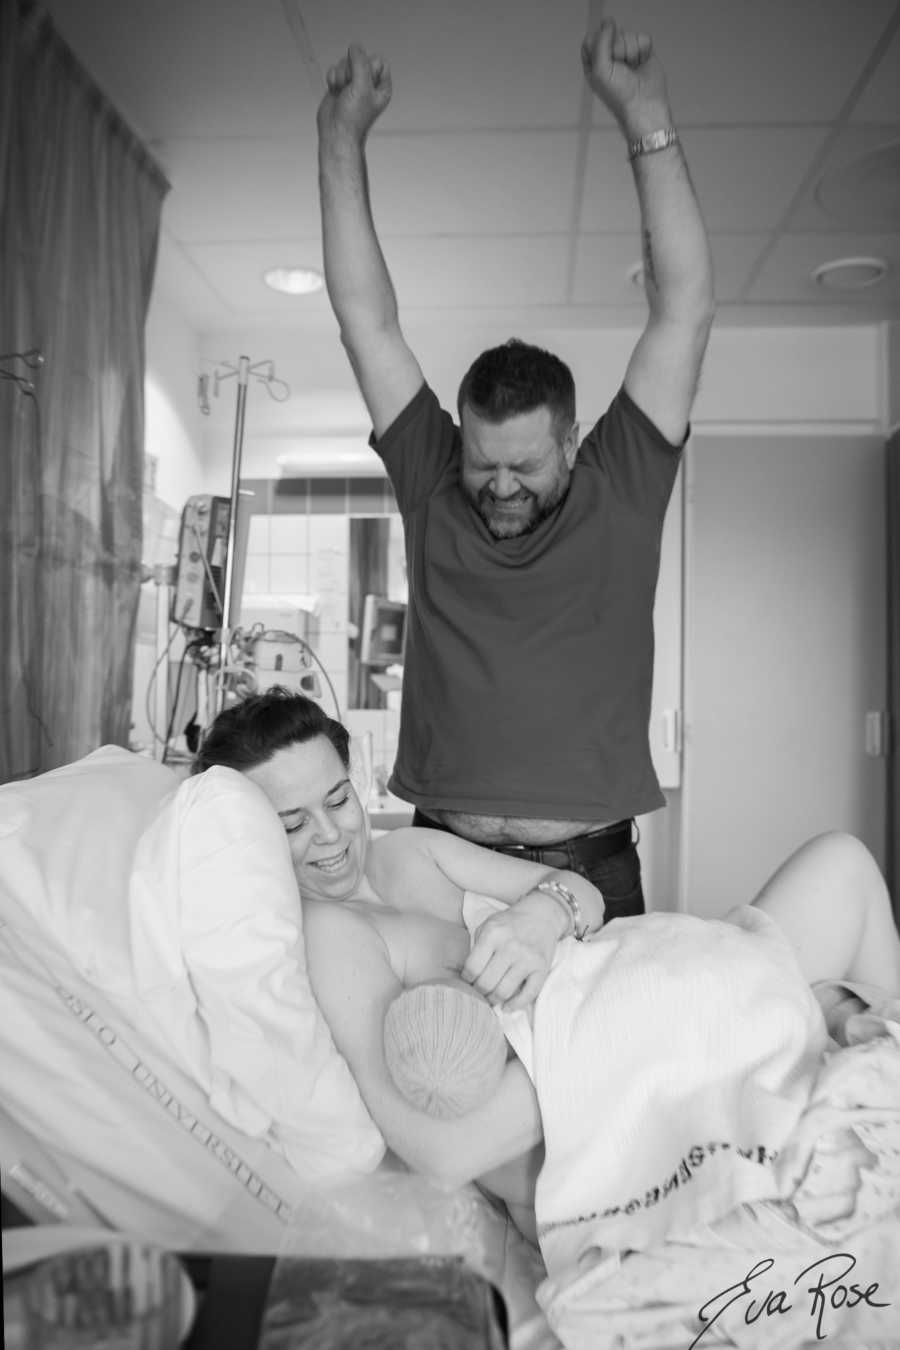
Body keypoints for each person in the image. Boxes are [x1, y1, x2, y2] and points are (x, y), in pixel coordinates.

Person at [192, 689, 900, 1240]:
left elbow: (584, 894)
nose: (329, 837)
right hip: (616, 1077)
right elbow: (444, 1152)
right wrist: (638, 1038)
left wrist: (542, 913)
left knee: (841, 865)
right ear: (250, 835)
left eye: (339, 799)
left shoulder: (405, 854)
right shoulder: (328, 935)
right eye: (290, 824)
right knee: (845, 899)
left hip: (649, 982)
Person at [316, 18, 716, 919]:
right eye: (482, 463)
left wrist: (643, 113)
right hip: (437, 855)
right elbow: (365, 319)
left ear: (572, 443)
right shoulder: (430, 473)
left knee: (594, 1067)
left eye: (525, 467)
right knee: (428, 1060)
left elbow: (684, 307)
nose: (499, 487)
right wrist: (339, 138)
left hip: (589, 870)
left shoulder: (623, 479)